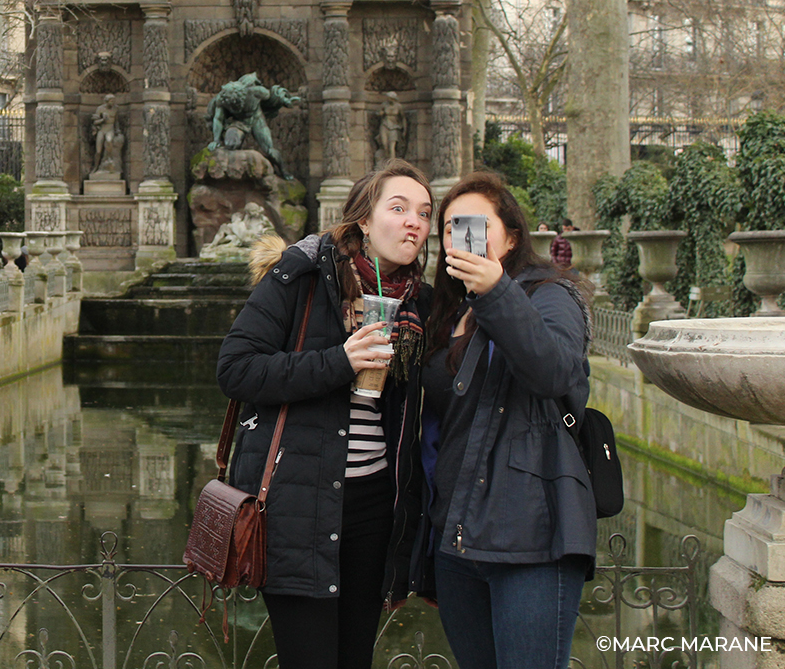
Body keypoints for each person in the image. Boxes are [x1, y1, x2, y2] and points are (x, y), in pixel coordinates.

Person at [217, 160, 434, 669]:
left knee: (355, 657)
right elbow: (236, 369)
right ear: (363, 218)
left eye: (424, 213)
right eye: (398, 208)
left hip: (374, 507)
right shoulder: (302, 273)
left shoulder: (420, 300)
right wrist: (340, 361)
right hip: (297, 503)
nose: (414, 223)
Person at [421, 172, 595, 669]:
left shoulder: (548, 293)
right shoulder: (446, 309)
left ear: (512, 236)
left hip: (530, 539)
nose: (461, 235)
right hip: (457, 539)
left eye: (476, 223)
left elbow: (556, 372)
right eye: (451, 226)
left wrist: (497, 291)